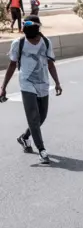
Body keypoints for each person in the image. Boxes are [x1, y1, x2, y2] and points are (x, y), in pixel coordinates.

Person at [0, 15, 63, 164]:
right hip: (26, 84)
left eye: (34, 38)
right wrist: (3, 87)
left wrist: (57, 83)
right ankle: (42, 150)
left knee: (42, 116)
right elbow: (12, 65)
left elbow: (50, 64)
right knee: (33, 117)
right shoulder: (18, 43)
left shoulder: (46, 43)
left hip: (43, 84)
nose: (33, 41)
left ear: (37, 30)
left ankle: (24, 137)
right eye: (24, 26)